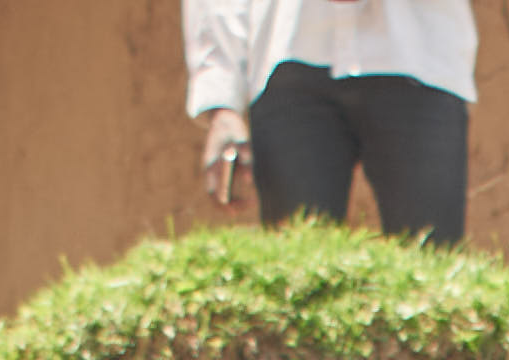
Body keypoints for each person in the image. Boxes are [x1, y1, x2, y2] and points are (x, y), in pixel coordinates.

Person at [186, 0, 474, 245]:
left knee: (430, 259)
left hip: (420, 52)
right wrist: (221, 101)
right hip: (287, 51)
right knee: (297, 268)